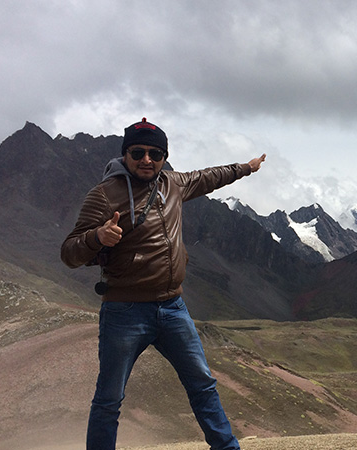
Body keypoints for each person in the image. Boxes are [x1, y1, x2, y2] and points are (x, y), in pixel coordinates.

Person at [61, 118, 264, 450]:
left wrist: (247, 168)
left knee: (203, 385)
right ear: (125, 154)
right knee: (109, 399)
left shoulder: (174, 183)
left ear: (164, 156)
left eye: (155, 153)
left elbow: (211, 176)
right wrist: (97, 237)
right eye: (138, 152)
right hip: (124, 311)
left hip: (173, 307)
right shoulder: (103, 196)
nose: (147, 160)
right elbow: (69, 252)